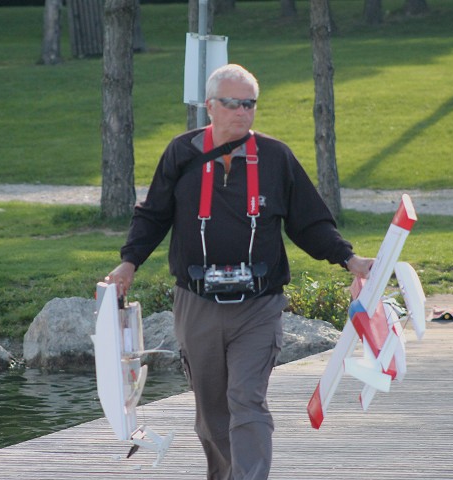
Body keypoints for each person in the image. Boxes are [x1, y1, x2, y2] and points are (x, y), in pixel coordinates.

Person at [105, 64, 372, 480]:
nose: (242, 112)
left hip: (259, 305)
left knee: (246, 398)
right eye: (232, 103)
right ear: (210, 106)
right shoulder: (181, 153)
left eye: (249, 104)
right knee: (212, 411)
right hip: (197, 303)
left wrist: (350, 260)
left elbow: (309, 222)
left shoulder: (276, 157)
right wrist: (129, 261)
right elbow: (153, 214)